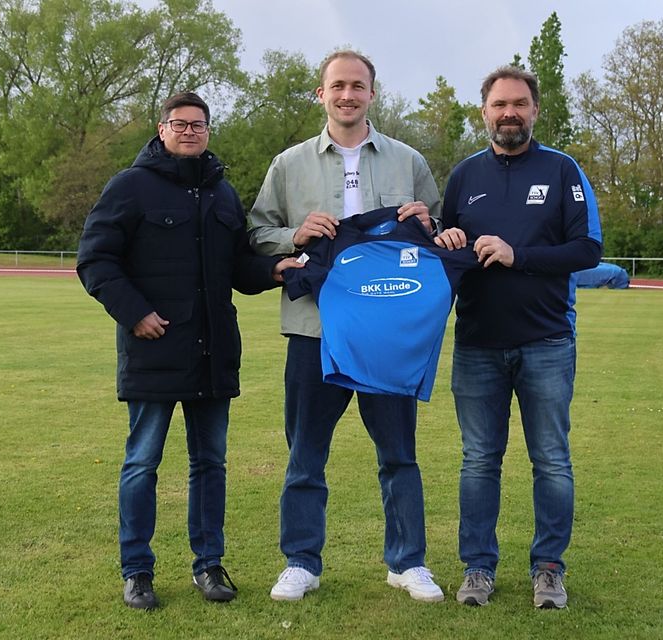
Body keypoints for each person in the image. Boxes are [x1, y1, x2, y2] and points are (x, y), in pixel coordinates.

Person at [77, 91, 302, 609]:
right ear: (161, 130)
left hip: (211, 351)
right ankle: (137, 571)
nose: (189, 132)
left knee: (210, 464)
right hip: (153, 351)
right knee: (142, 463)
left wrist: (273, 269)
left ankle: (209, 565)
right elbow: (95, 260)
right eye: (179, 124)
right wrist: (134, 313)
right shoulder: (130, 187)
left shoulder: (221, 193)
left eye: (198, 124)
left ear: (208, 131)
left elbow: (236, 267)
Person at [249, 50, 445, 603]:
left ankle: (407, 563)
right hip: (314, 330)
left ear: (372, 94)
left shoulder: (409, 161)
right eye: (337, 85)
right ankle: (301, 562)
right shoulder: (288, 165)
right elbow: (258, 232)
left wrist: (431, 225)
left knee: (399, 454)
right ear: (321, 93)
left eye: (358, 86)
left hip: (388, 333)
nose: (347, 95)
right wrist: (294, 235)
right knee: (305, 452)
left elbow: (442, 232)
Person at [434, 66, 603, 608]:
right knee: (479, 460)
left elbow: (587, 250)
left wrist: (517, 255)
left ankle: (549, 568)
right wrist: (449, 240)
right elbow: (444, 256)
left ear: (534, 110)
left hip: (547, 342)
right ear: (483, 111)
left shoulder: (561, 170)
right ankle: (478, 568)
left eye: (519, 104)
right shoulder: (463, 176)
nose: (509, 112)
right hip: (478, 343)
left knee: (551, 459)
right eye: (499, 104)